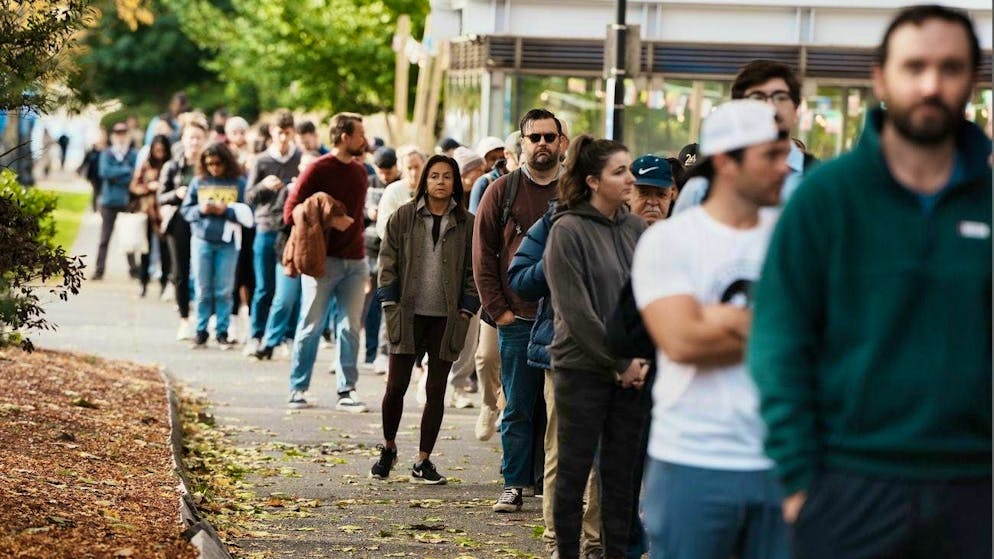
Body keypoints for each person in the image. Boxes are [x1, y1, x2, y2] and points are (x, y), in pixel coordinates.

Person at [750, 6, 992, 559]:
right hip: (847, 486)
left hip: (979, 490)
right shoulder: (825, 198)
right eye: (915, 67)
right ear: (882, 78)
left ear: (972, 81)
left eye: (950, 68)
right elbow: (778, 342)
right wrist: (799, 480)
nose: (931, 84)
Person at [632, 100, 791, 559]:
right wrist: (778, 322)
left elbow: (822, 337)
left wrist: (722, 320)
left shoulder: (794, 234)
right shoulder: (671, 240)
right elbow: (683, 342)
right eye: (771, 157)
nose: (786, 168)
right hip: (691, 463)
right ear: (726, 161)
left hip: (781, 461)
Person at [543, 135, 649, 559]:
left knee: (622, 478)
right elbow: (576, 312)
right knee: (572, 472)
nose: (630, 178)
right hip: (581, 369)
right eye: (619, 171)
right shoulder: (566, 230)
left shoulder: (636, 228)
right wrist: (619, 360)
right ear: (591, 180)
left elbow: (649, 299)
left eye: (630, 169)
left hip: (633, 374)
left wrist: (639, 359)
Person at [474, 108, 566, 513]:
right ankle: (513, 483)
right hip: (517, 319)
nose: (543, 144)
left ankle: (549, 485)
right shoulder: (501, 191)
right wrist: (500, 312)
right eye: (535, 138)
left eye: (550, 137)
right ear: (522, 143)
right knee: (517, 408)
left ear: (561, 142)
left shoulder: (576, 191)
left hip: (564, 320)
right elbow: (482, 257)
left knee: (557, 410)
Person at [370, 154, 479, 484]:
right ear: (424, 181)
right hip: (407, 313)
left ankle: (423, 460)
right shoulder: (403, 217)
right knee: (395, 387)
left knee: (436, 390)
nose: (441, 182)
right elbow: (386, 260)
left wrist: (465, 309)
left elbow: (473, 270)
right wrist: (389, 302)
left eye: (447, 176)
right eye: (434, 176)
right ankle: (388, 448)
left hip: (446, 318)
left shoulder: (467, 222)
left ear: (455, 182)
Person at [282, 113, 370, 412]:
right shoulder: (318, 169)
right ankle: (297, 388)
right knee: (311, 325)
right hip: (323, 261)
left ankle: (347, 390)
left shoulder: (360, 173)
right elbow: (290, 211)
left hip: (356, 261)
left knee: (350, 327)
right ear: (344, 136)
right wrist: (330, 218)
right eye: (360, 134)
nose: (364, 139)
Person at [673, 59, 815, 214]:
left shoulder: (820, 181)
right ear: (738, 110)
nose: (770, 107)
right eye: (757, 98)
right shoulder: (703, 187)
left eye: (780, 97)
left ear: (796, 110)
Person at [180, 142, 250, 349]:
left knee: (224, 290)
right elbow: (186, 211)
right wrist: (201, 210)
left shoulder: (238, 182)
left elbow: (248, 210)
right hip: (202, 239)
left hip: (228, 242)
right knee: (202, 289)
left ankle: (222, 330)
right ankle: (201, 330)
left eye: (218, 163)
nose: (214, 168)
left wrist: (225, 211)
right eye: (209, 164)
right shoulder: (198, 181)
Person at [245, 111, 302, 353]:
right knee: (263, 286)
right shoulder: (261, 161)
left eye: (288, 133)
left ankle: (286, 336)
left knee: (290, 288)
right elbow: (248, 197)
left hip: (292, 230)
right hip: (266, 226)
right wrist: (264, 186)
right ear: (272, 132)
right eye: (279, 133)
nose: (283, 138)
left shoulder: (300, 158)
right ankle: (256, 334)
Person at [159, 118, 209, 340]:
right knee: (180, 271)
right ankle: (184, 319)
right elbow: (161, 196)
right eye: (191, 138)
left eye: (199, 138)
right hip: (178, 220)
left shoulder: (211, 165)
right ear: (183, 139)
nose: (195, 142)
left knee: (204, 273)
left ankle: (205, 319)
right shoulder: (172, 166)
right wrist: (177, 194)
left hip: (205, 221)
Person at [446, 146, 487, 409]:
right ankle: (430, 375)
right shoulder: (445, 199)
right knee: (441, 333)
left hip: (474, 276)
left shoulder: (485, 194)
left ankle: (457, 386)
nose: (481, 175)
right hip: (447, 276)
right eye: (476, 170)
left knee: (469, 335)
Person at [91, 122, 138, 280]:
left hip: (126, 201)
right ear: (113, 136)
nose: (120, 136)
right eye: (117, 133)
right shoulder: (107, 153)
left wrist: (118, 174)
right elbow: (104, 172)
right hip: (109, 201)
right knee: (104, 238)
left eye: (123, 133)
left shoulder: (132, 154)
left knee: (128, 236)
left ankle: (133, 269)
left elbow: (135, 174)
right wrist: (125, 171)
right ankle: (99, 269)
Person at [128, 134, 172, 297]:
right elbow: (134, 186)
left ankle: (164, 284)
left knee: (165, 252)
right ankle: (143, 283)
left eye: (162, 150)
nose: (159, 152)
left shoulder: (171, 165)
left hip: (164, 213)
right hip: (147, 212)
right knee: (145, 251)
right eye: (157, 150)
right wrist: (149, 187)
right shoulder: (146, 165)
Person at [629, 155, 679, 221]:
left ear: (671, 195)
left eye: (661, 194)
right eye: (644, 193)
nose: (653, 202)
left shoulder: (683, 229)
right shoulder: (613, 230)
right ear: (628, 194)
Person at [79, 128, 107, 212]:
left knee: (103, 192)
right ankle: (95, 209)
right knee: (96, 192)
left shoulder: (107, 149)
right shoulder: (92, 150)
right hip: (94, 175)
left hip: (104, 175)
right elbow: (85, 162)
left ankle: (102, 208)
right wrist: (80, 170)